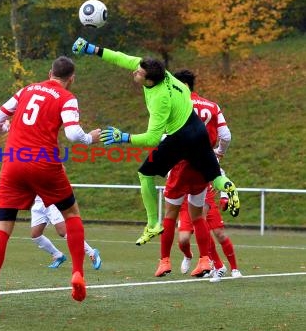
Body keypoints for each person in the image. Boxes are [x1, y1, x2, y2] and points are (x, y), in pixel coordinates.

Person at [72, 38, 241, 247]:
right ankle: (230, 187)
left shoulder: (159, 99)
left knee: (145, 173)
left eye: (139, 73)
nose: (135, 72)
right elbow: (120, 58)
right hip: (198, 130)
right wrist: (92, 49)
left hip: (180, 137)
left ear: (150, 81)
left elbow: (152, 139)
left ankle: (153, 224)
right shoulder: (162, 74)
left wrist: (122, 137)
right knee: (215, 176)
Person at [0, 56, 101, 317]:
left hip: (13, 162)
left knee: (2, 227)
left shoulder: (26, 90)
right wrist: (90, 138)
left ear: (49, 72)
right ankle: (78, 273)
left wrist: (2, 130)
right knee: (71, 214)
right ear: (71, 79)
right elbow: (72, 134)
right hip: (44, 163)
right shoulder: (66, 97)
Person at [154, 68, 234, 278]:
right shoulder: (212, 106)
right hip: (203, 166)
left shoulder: (175, 106)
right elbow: (226, 135)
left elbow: (162, 139)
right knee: (198, 216)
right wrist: (218, 154)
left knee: (170, 215)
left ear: (183, 86)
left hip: (181, 166)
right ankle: (205, 260)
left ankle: (164, 261)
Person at [177, 186, 243, 282]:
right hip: (186, 203)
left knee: (219, 234)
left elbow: (220, 176)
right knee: (183, 239)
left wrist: (224, 196)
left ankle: (233, 269)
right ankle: (190, 257)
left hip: (206, 199)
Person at [31, 195, 102, 270]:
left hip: (52, 202)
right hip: (38, 203)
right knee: (36, 235)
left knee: (63, 232)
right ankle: (58, 255)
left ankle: (92, 253)